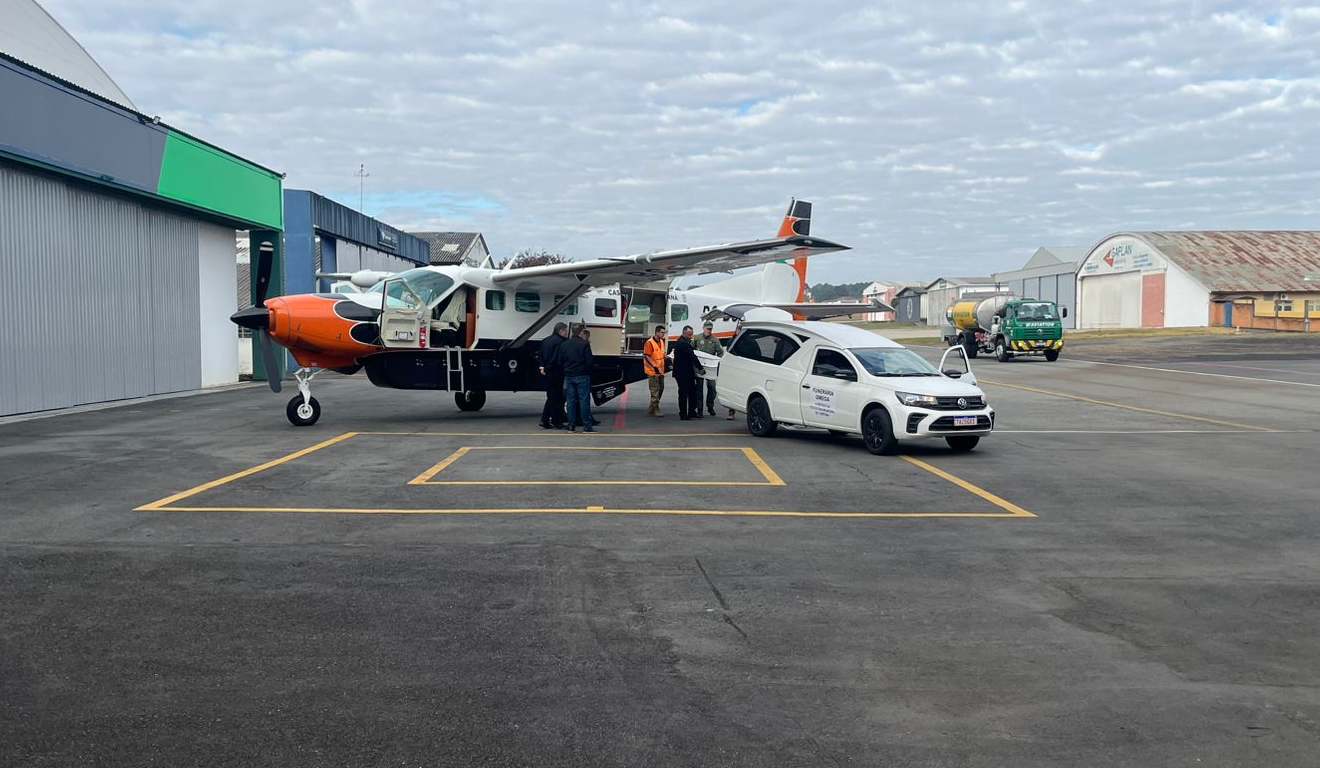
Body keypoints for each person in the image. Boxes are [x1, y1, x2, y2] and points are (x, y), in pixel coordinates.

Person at [560, 326, 596, 432]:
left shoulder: (564, 344)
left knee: (570, 401)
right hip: (582, 375)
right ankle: (587, 426)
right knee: (584, 401)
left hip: (569, 376)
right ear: (580, 333)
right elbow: (589, 361)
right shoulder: (584, 344)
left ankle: (571, 426)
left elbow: (561, 360)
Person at [538, 322, 570, 429]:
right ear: (561, 331)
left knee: (551, 397)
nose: (567, 333)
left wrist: (542, 367)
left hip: (546, 373)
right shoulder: (561, 342)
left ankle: (545, 420)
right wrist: (547, 367)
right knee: (557, 398)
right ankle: (557, 421)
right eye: (566, 330)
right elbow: (556, 359)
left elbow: (540, 355)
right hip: (556, 373)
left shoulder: (545, 340)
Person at [670, 325, 706, 420]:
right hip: (683, 373)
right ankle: (683, 414)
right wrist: (700, 368)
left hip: (685, 372)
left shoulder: (682, 342)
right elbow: (692, 356)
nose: (691, 337)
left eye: (691, 334)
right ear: (684, 333)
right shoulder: (683, 344)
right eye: (689, 335)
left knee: (691, 392)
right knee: (684, 393)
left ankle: (691, 411)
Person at [690, 320, 724, 417]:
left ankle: (710, 406)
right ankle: (699, 409)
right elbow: (691, 349)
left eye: (710, 329)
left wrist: (717, 360)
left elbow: (720, 352)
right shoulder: (697, 338)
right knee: (699, 388)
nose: (709, 331)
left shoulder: (715, 340)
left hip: (710, 367)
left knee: (712, 387)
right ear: (703, 328)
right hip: (699, 366)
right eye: (707, 329)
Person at [643, 324, 668, 417]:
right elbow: (647, 356)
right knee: (655, 390)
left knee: (661, 389)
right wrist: (654, 366)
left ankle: (651, 408)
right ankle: (656, 409)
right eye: (662, 332)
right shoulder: (649, 343)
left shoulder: (661, 341)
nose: (663, 334)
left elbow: (661, 353)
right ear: (657, 332)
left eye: (664, 333)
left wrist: (666, 356)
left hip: (660, 371)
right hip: (653, 371)